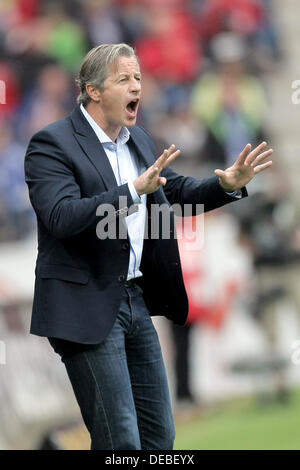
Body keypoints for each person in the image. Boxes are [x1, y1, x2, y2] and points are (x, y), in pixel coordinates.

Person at [24, 43, 273, 450]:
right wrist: (131, 192)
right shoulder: (50, 144)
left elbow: (175, 191)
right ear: (93, 90)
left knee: (161, 437)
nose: (136, 86)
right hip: (85, 306)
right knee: (120, 439)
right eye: (124, 78)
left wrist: (227, 185)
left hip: (136, 301)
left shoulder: (137, 138)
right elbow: (61, 217)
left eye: (138, 77)